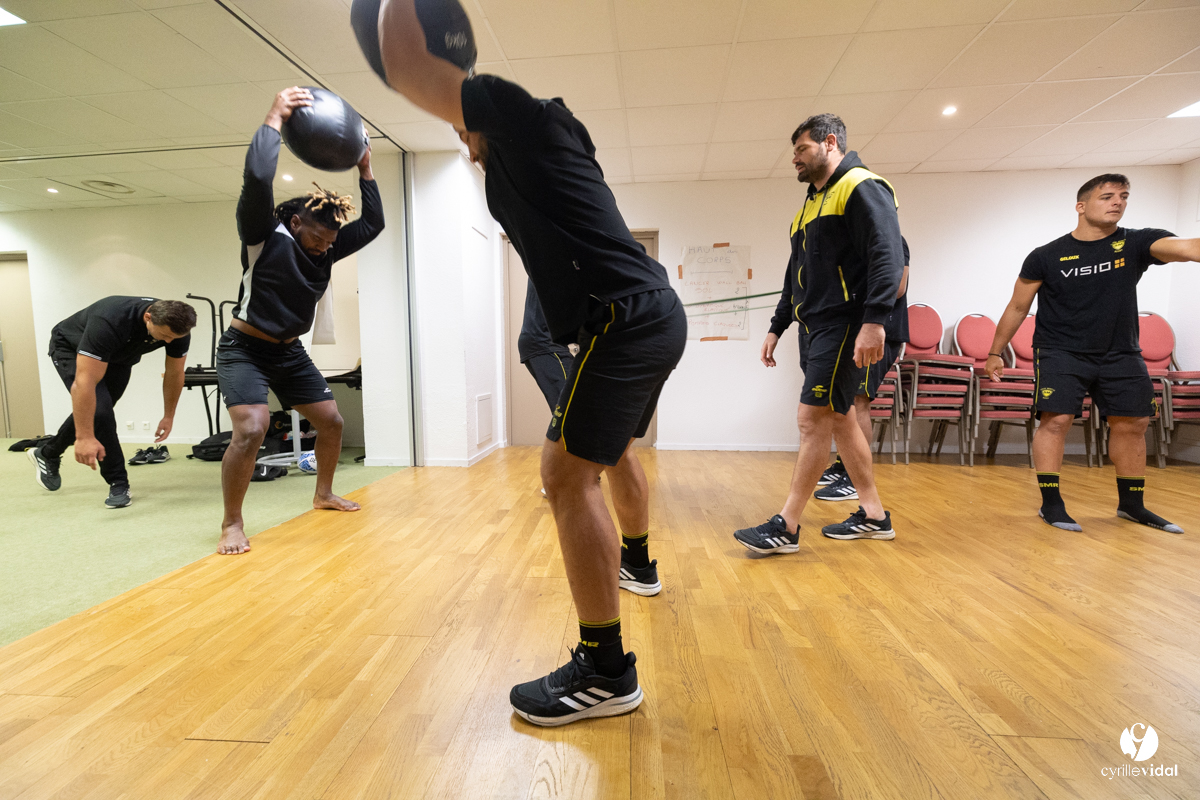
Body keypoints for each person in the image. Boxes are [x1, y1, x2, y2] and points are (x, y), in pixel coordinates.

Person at [374, 0, 687, 726]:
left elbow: (406, 66)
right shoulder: (532, 145)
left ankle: (607, 671)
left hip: (626, 321)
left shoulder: (516, 110)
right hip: (637, 317)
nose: (456, 132)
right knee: (595, 465)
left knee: (564, 475)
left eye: (457, 119)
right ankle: (634, 572)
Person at [215, 87, 384, 556]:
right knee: (250, 429)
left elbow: (371, 227)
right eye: (317, 238)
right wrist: (273, 118)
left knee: (331, 422)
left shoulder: (325, 249)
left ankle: (323, 493)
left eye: (331, 241)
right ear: (293, 223)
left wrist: (366, 170)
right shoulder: (263, 236)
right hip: (244, 348)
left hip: (288, 351)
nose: (326, 247)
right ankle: (231, 522)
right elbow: (256, 178)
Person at [985, 173, 1199, 534]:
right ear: (1081, 206)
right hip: (1060, 350)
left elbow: (1189, 249)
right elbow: (1018, 307)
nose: (1117, 202)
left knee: (1133, 423)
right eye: (1108, 196)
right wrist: (995, 352)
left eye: (1124, 196)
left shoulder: (1136, 243)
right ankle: (1051, 503)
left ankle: (1132, 505)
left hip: (1121, 351)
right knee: (1056, 421)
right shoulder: (1046, 256)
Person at [737, 114, 903, 553]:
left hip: (845, 323)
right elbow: (795, 274)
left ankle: (786, 526)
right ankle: (874, 515)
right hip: (815, 327)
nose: (794, 159)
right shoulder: (809, 205)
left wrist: (874, 321)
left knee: (811, 421)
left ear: (830, 143)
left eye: (801, 149)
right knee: (841, 420)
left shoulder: (862, 186)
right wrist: (777, 325)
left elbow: (887, 256)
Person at [29, 297, 196, 508]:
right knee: (101, 412)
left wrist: (169, 415)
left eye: (174, 338)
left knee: (100, 410)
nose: (169, 342)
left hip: (120, 358)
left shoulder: (177, 329)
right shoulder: (110, 320)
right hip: (71, 348)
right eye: (164, 336)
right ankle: (118, 482)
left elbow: (174, 373)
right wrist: (84, 437)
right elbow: (84, 382)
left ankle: (47, 453)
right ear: (148, 317)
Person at [804, 238, 910, 501]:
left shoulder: (892, 239)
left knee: (857, 400)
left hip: (879, 332)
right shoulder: (855, 241)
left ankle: (854, 479)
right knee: (842, 402)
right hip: (853, 330)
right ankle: (845, 465)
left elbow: (897, 287)